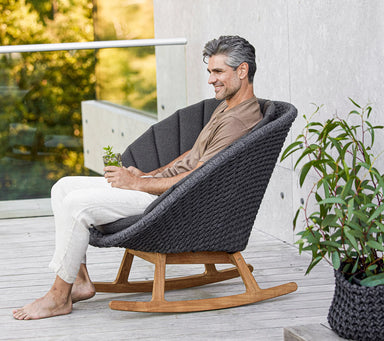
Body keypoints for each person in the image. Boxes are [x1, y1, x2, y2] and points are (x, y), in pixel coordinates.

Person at [13, 35, 262, 320]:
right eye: (210, 71)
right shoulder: (227, 106)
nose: (210, 80)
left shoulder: (238, 121)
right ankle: (79, 281)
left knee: (76, 205)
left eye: (218, 72)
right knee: (62, 187)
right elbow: (193, 155)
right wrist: (148, 174)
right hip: (161, 189)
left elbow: (200, 176)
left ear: (242, 71)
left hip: (174, 203)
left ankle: (59, 296)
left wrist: (138, 184)